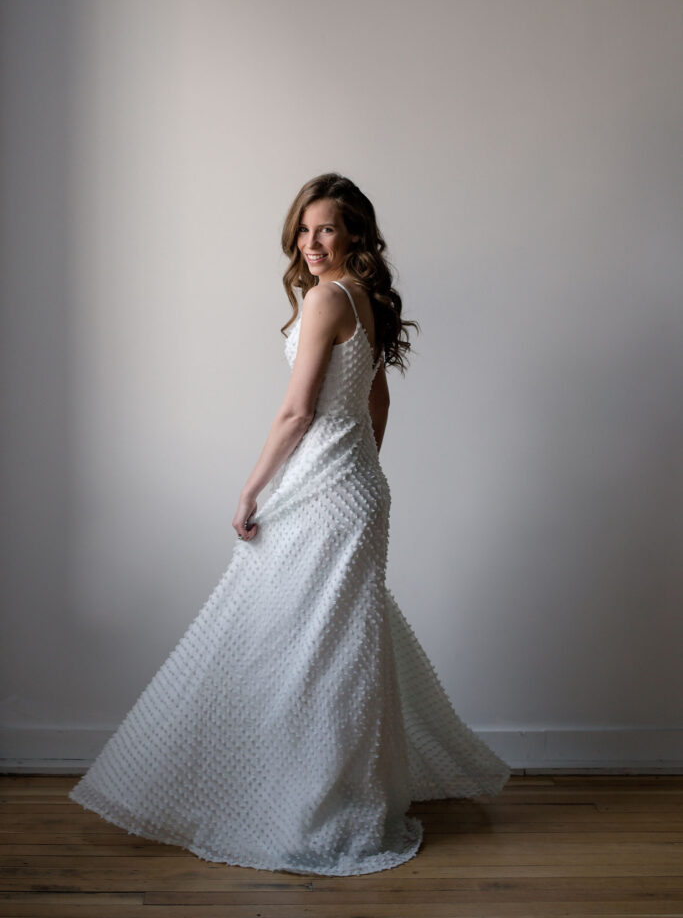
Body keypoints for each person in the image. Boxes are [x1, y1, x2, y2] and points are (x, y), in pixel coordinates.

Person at [68, 172, 510, 877]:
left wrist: (249, 489)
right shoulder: (360, 300)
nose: (310, 242)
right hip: (356, 492)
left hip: (325, 494)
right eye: (303, 230)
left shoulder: (325, 299)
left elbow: (297, 411)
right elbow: (378, 403)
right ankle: (336, 792)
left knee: (308, 646)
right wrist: (355, 468)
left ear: (354, 235)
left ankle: (314, 803)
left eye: (326, 228)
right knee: (336, 643)